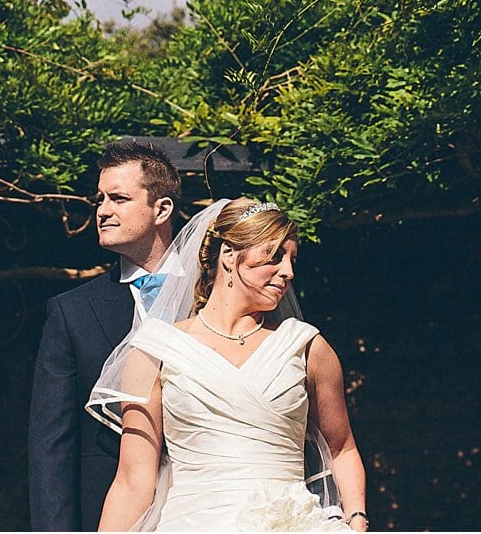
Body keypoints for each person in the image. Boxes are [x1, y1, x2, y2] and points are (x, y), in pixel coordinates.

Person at [89, 199, 369, 532]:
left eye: (292, 260)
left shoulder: (308, 347)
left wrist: (356, 520)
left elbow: (342, 448)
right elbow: (133, 480)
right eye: (274, 256)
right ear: (229, 255)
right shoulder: (153, 350)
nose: (289, 272)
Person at [30, 143, 183, 531]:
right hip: (109, 515)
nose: (102, 211)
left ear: (161, 209)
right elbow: (52, 445)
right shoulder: (72, 312)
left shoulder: (217, 294)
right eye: (100, 199)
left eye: (118, 198)